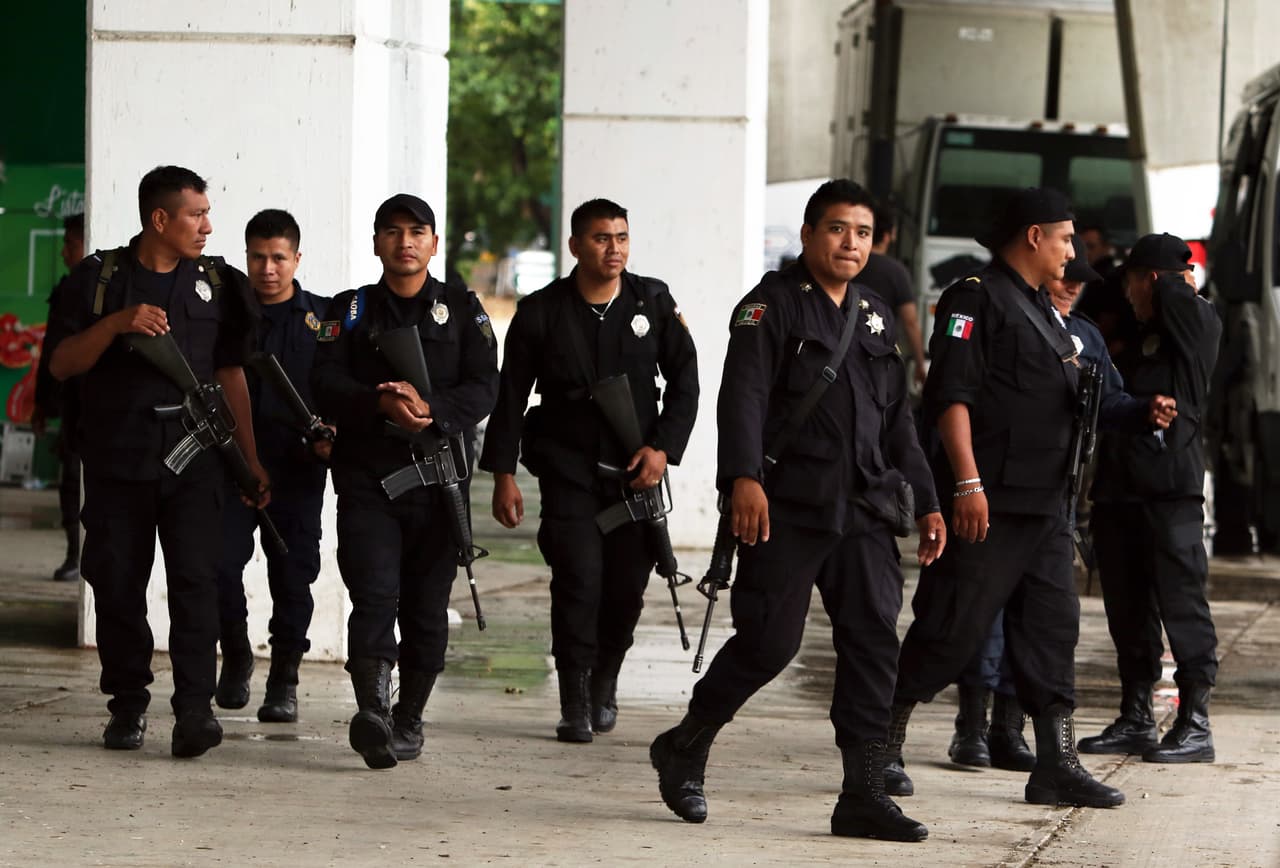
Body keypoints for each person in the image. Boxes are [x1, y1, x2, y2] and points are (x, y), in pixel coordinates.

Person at [648, 180, 945, 842]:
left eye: (863, 233)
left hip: (864, 509)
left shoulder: (872, 314)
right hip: (786, 507)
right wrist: (743, 480)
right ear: (808, 235)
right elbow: (744, 397)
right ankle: (687, 743)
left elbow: (899, 422)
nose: (851, 243)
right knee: (769, 642)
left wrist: (927, 499)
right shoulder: (769, 307)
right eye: (838, 229)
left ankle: (863, 794)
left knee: (872, 643)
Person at [885, 187, 1125, 810]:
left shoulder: (1047, 311)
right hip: (989, 504)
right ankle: (878, 745)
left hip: (1045, 507)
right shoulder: (976, 298)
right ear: (1034, 236)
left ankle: (1057, 763)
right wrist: (965, 483)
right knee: (950, 628)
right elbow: (951, 398)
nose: (1073, 251)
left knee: (1052, 632)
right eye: (1067, 238)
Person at [44, 165, 267, 758]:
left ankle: (194, 711)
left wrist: (249, 458)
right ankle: (127, 704)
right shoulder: (97, 280)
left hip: (195, 462)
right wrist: (118, 323)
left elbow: (230, 373)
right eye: (196, 215)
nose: (207, 226)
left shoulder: (219, 283)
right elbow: (62, 363)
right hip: (118, 463)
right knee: (117, 586)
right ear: (159, 219)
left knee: (197, 583)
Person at [943, 238, 1178, 773]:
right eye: (1065, 274)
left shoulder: (1087, 336)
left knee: (1046, 621)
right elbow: (958, 395)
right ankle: (968, 728)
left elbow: (1110, 401)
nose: (1073, 285)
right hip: (998, 492)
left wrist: (1146, 411)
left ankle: (1013, 732)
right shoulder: (999, 312)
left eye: (1082, 280)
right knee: (978, 614)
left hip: (1055, 500)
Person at [478, 198, 698, 743]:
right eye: (601, 238)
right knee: (577, 582)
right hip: (569, 469)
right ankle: (574, 698)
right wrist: (503, 474)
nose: (614, 249)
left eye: (621, 237)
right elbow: (511, 396)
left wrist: (663, 450)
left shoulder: (652, 301)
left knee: (625, 589)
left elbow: (686, 382)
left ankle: (605, 679)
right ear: (575, 246)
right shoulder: (542, 312)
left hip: (635, 474)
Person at [310, 193, 498, 769]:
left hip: (440, 483)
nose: (405, 242)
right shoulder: (351, 310)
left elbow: (485, 385)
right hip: (370, 477)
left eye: (417, 231)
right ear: (376, 242)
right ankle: (372, 711)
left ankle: (409, 717)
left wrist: (431, 409)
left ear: (434, 243)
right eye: (392, 231)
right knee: (373, 594)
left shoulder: (462, 310)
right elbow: (322, 378)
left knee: (424, 609)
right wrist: (379, 403)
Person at [1079, 233, 1221, 764]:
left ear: (1152, 282)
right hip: (1121, 494)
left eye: (1135, 282)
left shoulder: (1195, 325)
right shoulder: (1135, 339)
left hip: (1171, 495)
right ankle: (1136, 715)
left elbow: (1184, 304)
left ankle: (1196, 721)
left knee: (1182, 603)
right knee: (1128, 608)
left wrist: (1173, 282)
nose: (1127, 293)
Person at [213, 209, 333, 723]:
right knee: (219, 566)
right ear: (247, 257)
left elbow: (341, 391)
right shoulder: (226, 314)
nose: (267, 268)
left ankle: (284, 677)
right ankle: (237, 654)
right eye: (258, 257)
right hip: (231, 465)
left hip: (298, 470)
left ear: (297, 258)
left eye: (278, 257)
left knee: (292, 576)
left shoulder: (324, 321)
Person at [33, 212, 86, 582]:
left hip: (94, 405)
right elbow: (52, 351)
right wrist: (42, 403)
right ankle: (74, 553)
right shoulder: (68, 289)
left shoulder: (100, 290)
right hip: (70, 404)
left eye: (71, 243)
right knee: (70, 483)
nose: (65, 251)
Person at [855, 203, 927, 390]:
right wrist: (920, 363)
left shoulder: (850, 264)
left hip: (841, 353)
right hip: (880, 358)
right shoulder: (896, 272)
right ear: (888, 235)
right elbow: (910, 322)